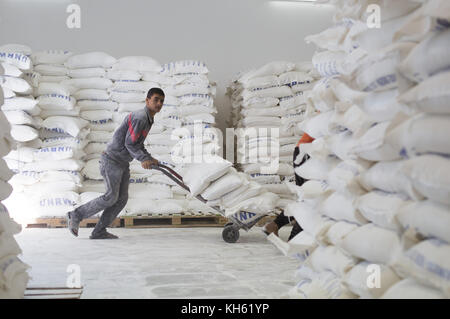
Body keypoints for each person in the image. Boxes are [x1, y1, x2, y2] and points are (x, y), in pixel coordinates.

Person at [67, 88, 165, 239]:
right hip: (112, 160)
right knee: (111, 197)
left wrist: (149, 158)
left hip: (122, 162)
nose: (159, 103)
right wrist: (143, 159)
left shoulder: (148, 118)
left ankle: (99, 231)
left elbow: (138, 143)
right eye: (156, 99)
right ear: (147, 100)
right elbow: (130, 143)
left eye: (161, 101)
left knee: (121, 199)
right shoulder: (140, 118)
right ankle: (75, 215)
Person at [263, 132, 315, 241]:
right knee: (310, 198)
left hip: (306, 151)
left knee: (306, 197)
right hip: (308, 153)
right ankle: (293, 238)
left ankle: (275, 225)